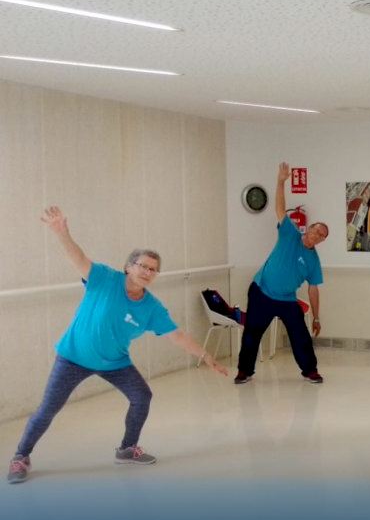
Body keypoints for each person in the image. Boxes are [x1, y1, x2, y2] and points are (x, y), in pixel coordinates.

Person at [7, 207, 229, 485]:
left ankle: (127, 449)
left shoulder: (151, 307)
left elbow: (177, 336)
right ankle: (21, 456)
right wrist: (62, 233)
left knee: (142, 396)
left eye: (153, 269)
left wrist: (206, 355)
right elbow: (77, 257)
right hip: (73, 357)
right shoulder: (103, 278)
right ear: (129, 266)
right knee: (48, 408)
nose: (147, 271)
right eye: (143, 265)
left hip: (114, 362)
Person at [234, 162, 329, 385]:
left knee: (300, 334)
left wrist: (316, 317)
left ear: (322, 241)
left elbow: (313, 289)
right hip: (262, 291)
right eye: (316, 230)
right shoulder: (289, 234)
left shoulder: (313, 261)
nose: (317, 235)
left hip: (287, 300)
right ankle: (244, 371)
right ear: (309, 228)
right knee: (252, 333)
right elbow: (280, 208)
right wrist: (280, 182)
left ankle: (310, 371)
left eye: (321, 235)